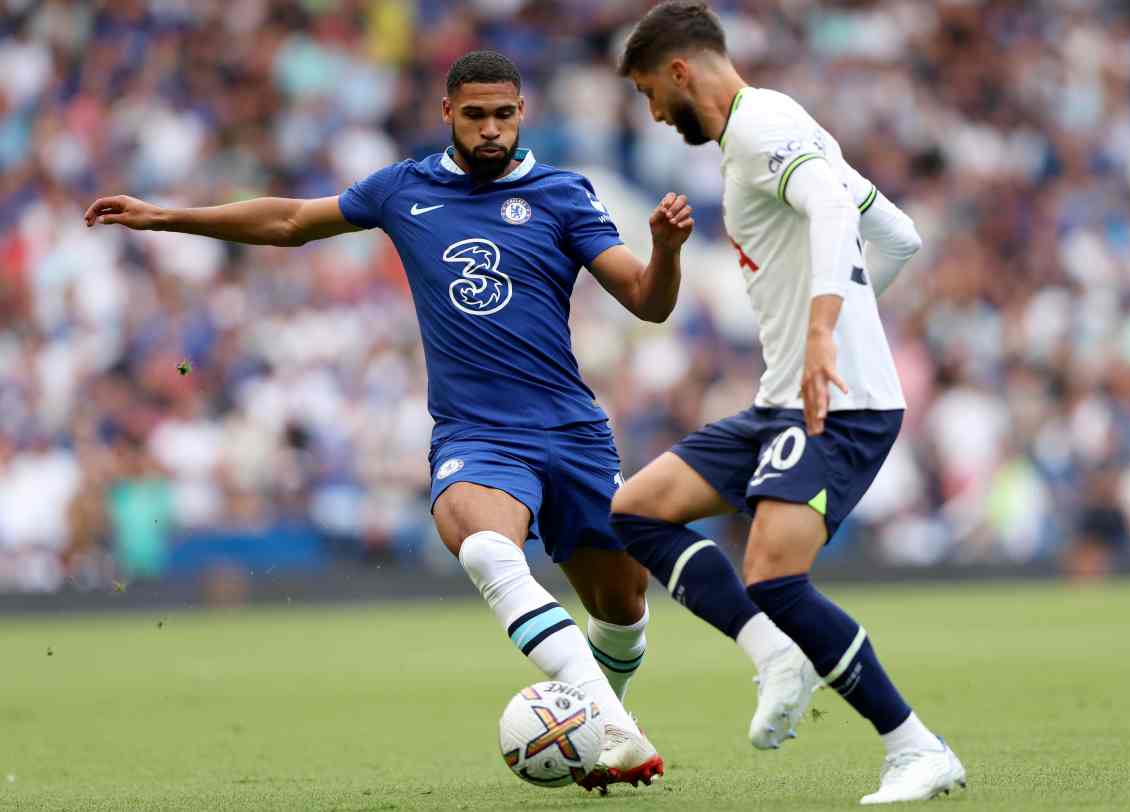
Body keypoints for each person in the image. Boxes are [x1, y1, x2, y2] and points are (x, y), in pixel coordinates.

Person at [84, 50, 691, 792]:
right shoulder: (404, 189)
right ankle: (619, 730)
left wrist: (664, 252)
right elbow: (288, 220)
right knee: (485, 551)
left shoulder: (564, 194)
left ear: (522, 113)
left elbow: (647, 301)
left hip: (571, 433)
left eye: (504, 114)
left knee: (623, 609)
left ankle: (603, 727)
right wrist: (164, 215)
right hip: (477, 435)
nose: (492, 129)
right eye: (476, 115)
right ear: (447, 114)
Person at [609, 3, 966, 804]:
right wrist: (845, 321)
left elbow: (839, 213)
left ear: (677, 72)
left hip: (839, 406)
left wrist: (826, 335)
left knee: (772, 572)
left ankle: (916, 747)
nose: (653, 115)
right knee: (636, 511)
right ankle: (775, 653)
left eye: (646, 94)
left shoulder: (765, 127)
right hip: (784, 399)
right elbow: (899, 234)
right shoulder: (771, 131)